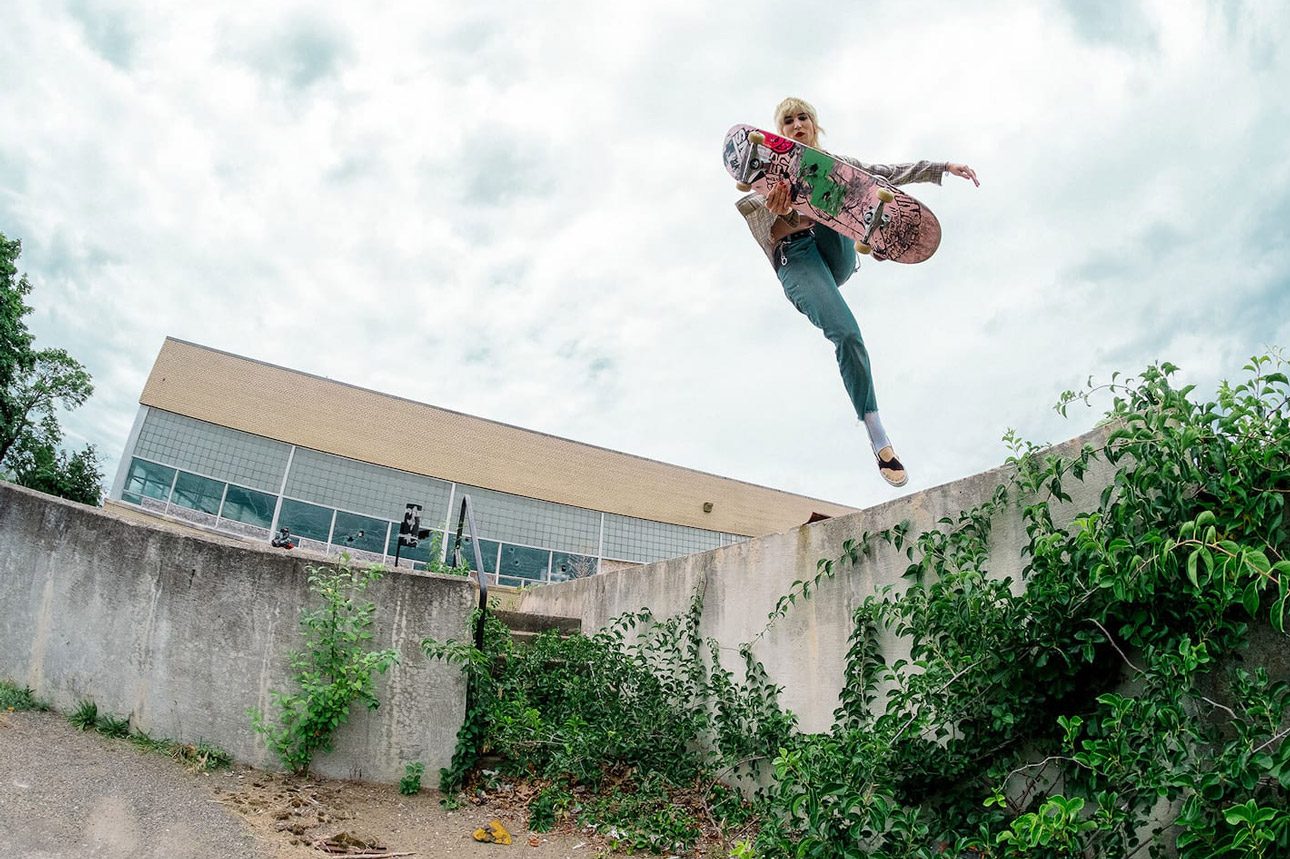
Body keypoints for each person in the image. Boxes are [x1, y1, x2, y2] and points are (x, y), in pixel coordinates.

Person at [736, 97, 979, 487]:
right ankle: (879, 437)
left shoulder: (841, 167)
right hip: (798, 261)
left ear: (814, 125)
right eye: (788, 121)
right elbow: (764, 227)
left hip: (838, 256)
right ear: (781, 131)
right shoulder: (769, 182)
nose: (797, 125)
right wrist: (778, 207)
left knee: (841, 183)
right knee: (848, 335)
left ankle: (872, 232)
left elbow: (889, 173)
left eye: (804, 118)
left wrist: (943, 167)